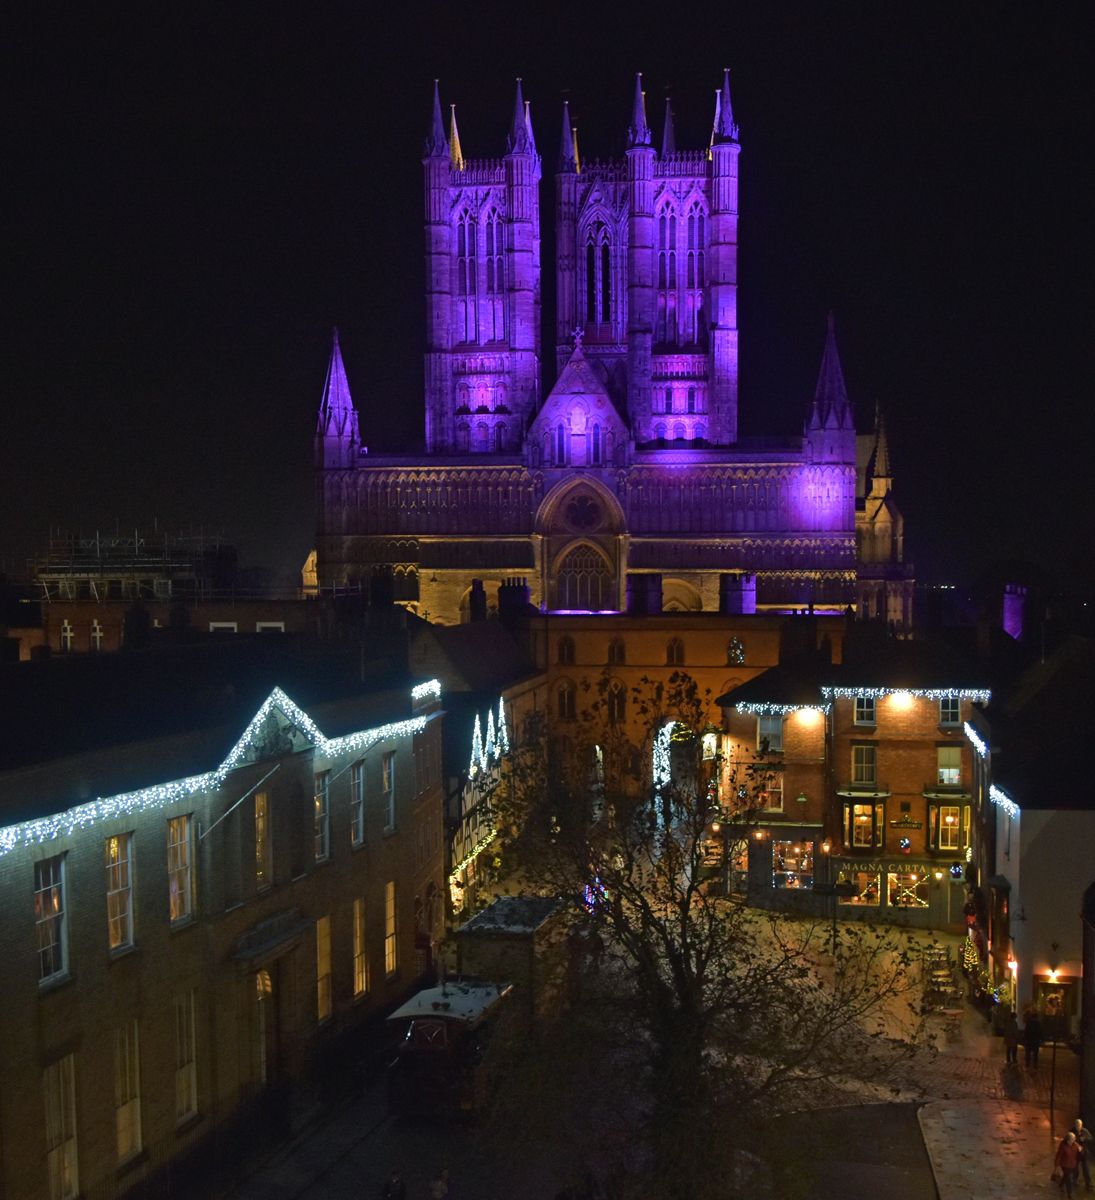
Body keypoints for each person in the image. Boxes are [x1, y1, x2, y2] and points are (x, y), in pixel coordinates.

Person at [1056, 1131, 1082, 1197]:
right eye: (1073, 1138)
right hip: (1065, 1165)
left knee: (1066, 1176)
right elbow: (1059, 1155)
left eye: (1074, 1138)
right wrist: (1057, 1165)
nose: (1074, 1139)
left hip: (1073, 1164)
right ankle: (1070, 1194)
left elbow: (1081, 1153)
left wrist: (1081, 1151)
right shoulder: (1063, 1145)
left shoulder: (1075, 1145)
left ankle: (1061, 1184)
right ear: (1068, 1139)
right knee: (1069, 1179)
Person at [1074, 1119, 1093, 1191]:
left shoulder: (1085, 1131)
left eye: (1079, 1125)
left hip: (1084, 1153)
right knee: (1075, 1168)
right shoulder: (1072, 1131)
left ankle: (1088, 1184)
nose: (1078, 1127)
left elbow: (1090, 1138)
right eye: (1076, 1125)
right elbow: (1068, 1139)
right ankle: (1075, 1181)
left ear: (1081, 1125)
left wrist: (1084, 1138)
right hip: (1075, 1153)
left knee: (1086, 1169)